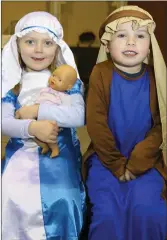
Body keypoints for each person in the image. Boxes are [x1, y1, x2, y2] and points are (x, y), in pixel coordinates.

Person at [82, 5, 167, 240]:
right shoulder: (100, 73)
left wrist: (138, 161)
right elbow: (96, 124)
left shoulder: (154, 78)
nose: (131, 42)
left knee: (150, 211)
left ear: (149, 46)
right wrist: (117, 165)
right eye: (122, 35)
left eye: (140, 36)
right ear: (108, 45)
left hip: (147, 161)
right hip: (106, 159)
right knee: (107, 215)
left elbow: (162, 125)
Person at [2, 11, 86, 240]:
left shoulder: (68, 80)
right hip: (20, 157)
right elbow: (4, 122)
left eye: (47, 43)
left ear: (57, 47)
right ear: (18, 45)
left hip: (60, 157)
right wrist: (33, 128)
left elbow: (79, 116)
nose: (39, 50)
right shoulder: (12, 84)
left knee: (64, 200)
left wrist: (38, 110)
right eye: (30, 42)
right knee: (9, 196)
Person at [15, 64, 78, 158]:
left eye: (59, 80)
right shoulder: (45, 89)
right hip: (37, 115)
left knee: (49, 135)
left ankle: (55, 148)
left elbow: (66, 112)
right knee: (29, 130)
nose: (54, 79)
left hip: (50, 119)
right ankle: (43, 145)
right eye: (53, 75)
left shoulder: (65, 97)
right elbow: (37, 100)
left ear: (68, 87)